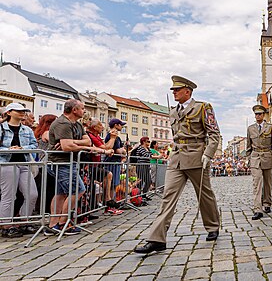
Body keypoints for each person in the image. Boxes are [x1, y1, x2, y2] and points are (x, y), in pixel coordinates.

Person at [134, 75, 221, 253]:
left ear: (187, 91)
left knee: (204, 194)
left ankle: (213, 226)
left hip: (197, 157)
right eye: (173, 89)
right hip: (177, 158)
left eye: (177, 89)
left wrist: (208, 154)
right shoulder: (173, 111)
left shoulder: (203, 107)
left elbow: (214, 133)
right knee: (168, 196)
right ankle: (157, 239)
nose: (173, 92)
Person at [46, 99, 104, 235]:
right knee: (78, 190)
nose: (84, 111)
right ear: (74, 110)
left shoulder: (76, 124)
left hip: (68, 162)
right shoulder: (62, 123)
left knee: (61, 193)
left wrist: (74, 142)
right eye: (82, 108)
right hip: (60, 163)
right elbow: (67, 147)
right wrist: (79, 145)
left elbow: (88, 141)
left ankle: (53, 225)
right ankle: (62, 223)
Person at [0, 103, 38, 238]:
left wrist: (23, 148)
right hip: (6, 164)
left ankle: (23, 221)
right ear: (9, 112)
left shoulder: (27, 130)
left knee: (32, 194)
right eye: (19, 111)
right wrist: (8, 150)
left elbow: (35, 144)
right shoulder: (1, 128)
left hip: (24, 163)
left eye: (24, 111)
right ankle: (6, 226)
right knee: (8, 195)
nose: (22, 113)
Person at [245, 105, 272, 220]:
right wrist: (247, 158)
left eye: (260, 114)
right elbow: (248, 146)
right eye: (256, 114)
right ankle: (257, 209)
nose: (258, 116)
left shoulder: (271, 127)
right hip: (255, 157)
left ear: (264, 115)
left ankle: (267, 203)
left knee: (268, 183)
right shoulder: (250, 129)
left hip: (267, 156)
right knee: (256, 183)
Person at [84, 118, 119, 214]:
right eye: (100, 125)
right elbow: (106, 147)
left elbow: (105, 146)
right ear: (94, 127)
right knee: (106, 176)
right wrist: (112, 138)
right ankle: (106, 200)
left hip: (95, 164)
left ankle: (102, 203)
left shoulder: (97, 136)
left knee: (104, 178)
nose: (102, 127)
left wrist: (108, 149)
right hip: (89, 165)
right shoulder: (91, 136)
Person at [103, 118, 126, 205]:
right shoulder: (112, 135)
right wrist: (122, 150)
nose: (122, 126)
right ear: (116, 125)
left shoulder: (117, 137)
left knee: (114, 184)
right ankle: (110, 203)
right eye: (121, 125)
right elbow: (118, 151)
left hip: (116, 162)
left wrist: (122, 150)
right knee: (112, 184)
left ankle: (112, 202)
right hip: (112, 162)